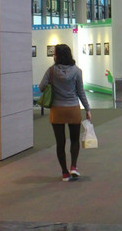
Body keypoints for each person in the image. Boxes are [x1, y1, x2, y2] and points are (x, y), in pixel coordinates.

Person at [39, 43, 92, 182]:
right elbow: (81, 92)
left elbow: (41, 87)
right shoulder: (77, 71)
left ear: (57, 56)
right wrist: (87, 109)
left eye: (54, 53)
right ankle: (73, 166)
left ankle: (64, 173)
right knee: (74, 140)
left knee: (60, 142)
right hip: (73, 109)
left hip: (57, 110)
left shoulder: (51, 71)